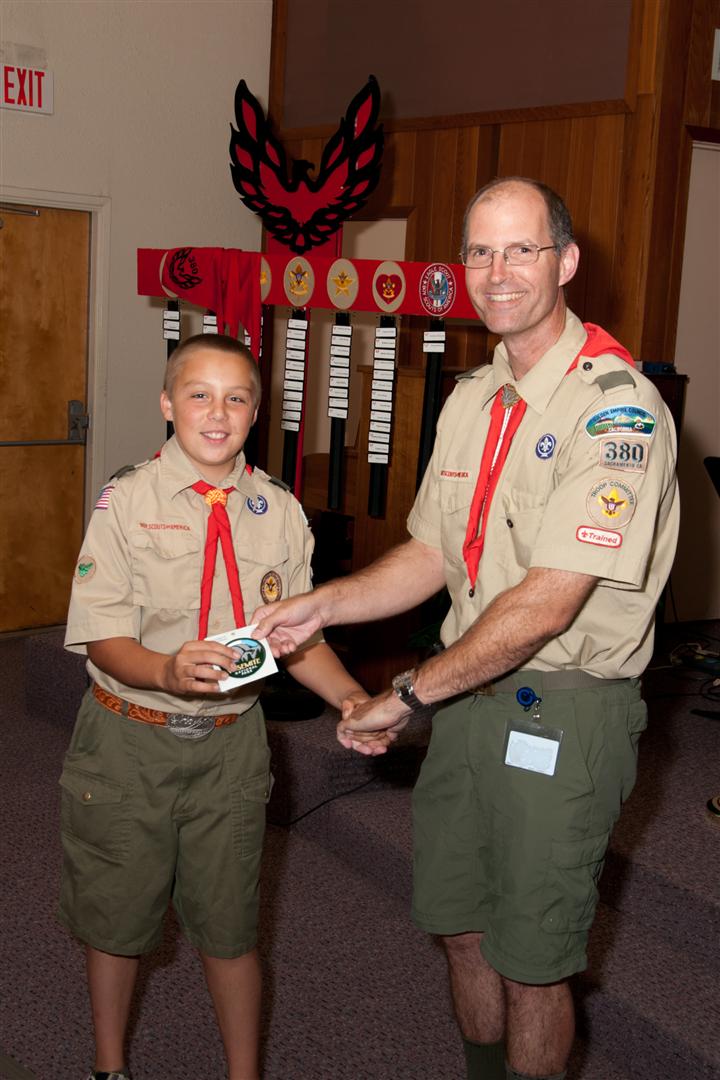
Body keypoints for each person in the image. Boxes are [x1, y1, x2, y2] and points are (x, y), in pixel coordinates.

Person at [252, 178, 680, 1080]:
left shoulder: (618, 409)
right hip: (468, 695)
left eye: (522, 249)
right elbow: (434, 551)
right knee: (459, 927)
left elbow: (548, 603)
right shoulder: (473, 397)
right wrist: (326, 603)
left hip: (563, 707)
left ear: (566, 261)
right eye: (480, 252)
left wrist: (407, 694)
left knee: (532, 961)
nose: (498, 272)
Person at [59, 334, 366, 1080]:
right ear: (168, 404)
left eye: (236, 398)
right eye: (199, 395)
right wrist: (165, 670)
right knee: (116, 916)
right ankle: (109, 1066)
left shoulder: (280, 511)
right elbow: (101, 634)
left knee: (231, 925)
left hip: (231, 745)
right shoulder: (127, 500)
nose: (217, 412)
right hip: (129, 740)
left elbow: (295, 639)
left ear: (257, 412)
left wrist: (352, 697)